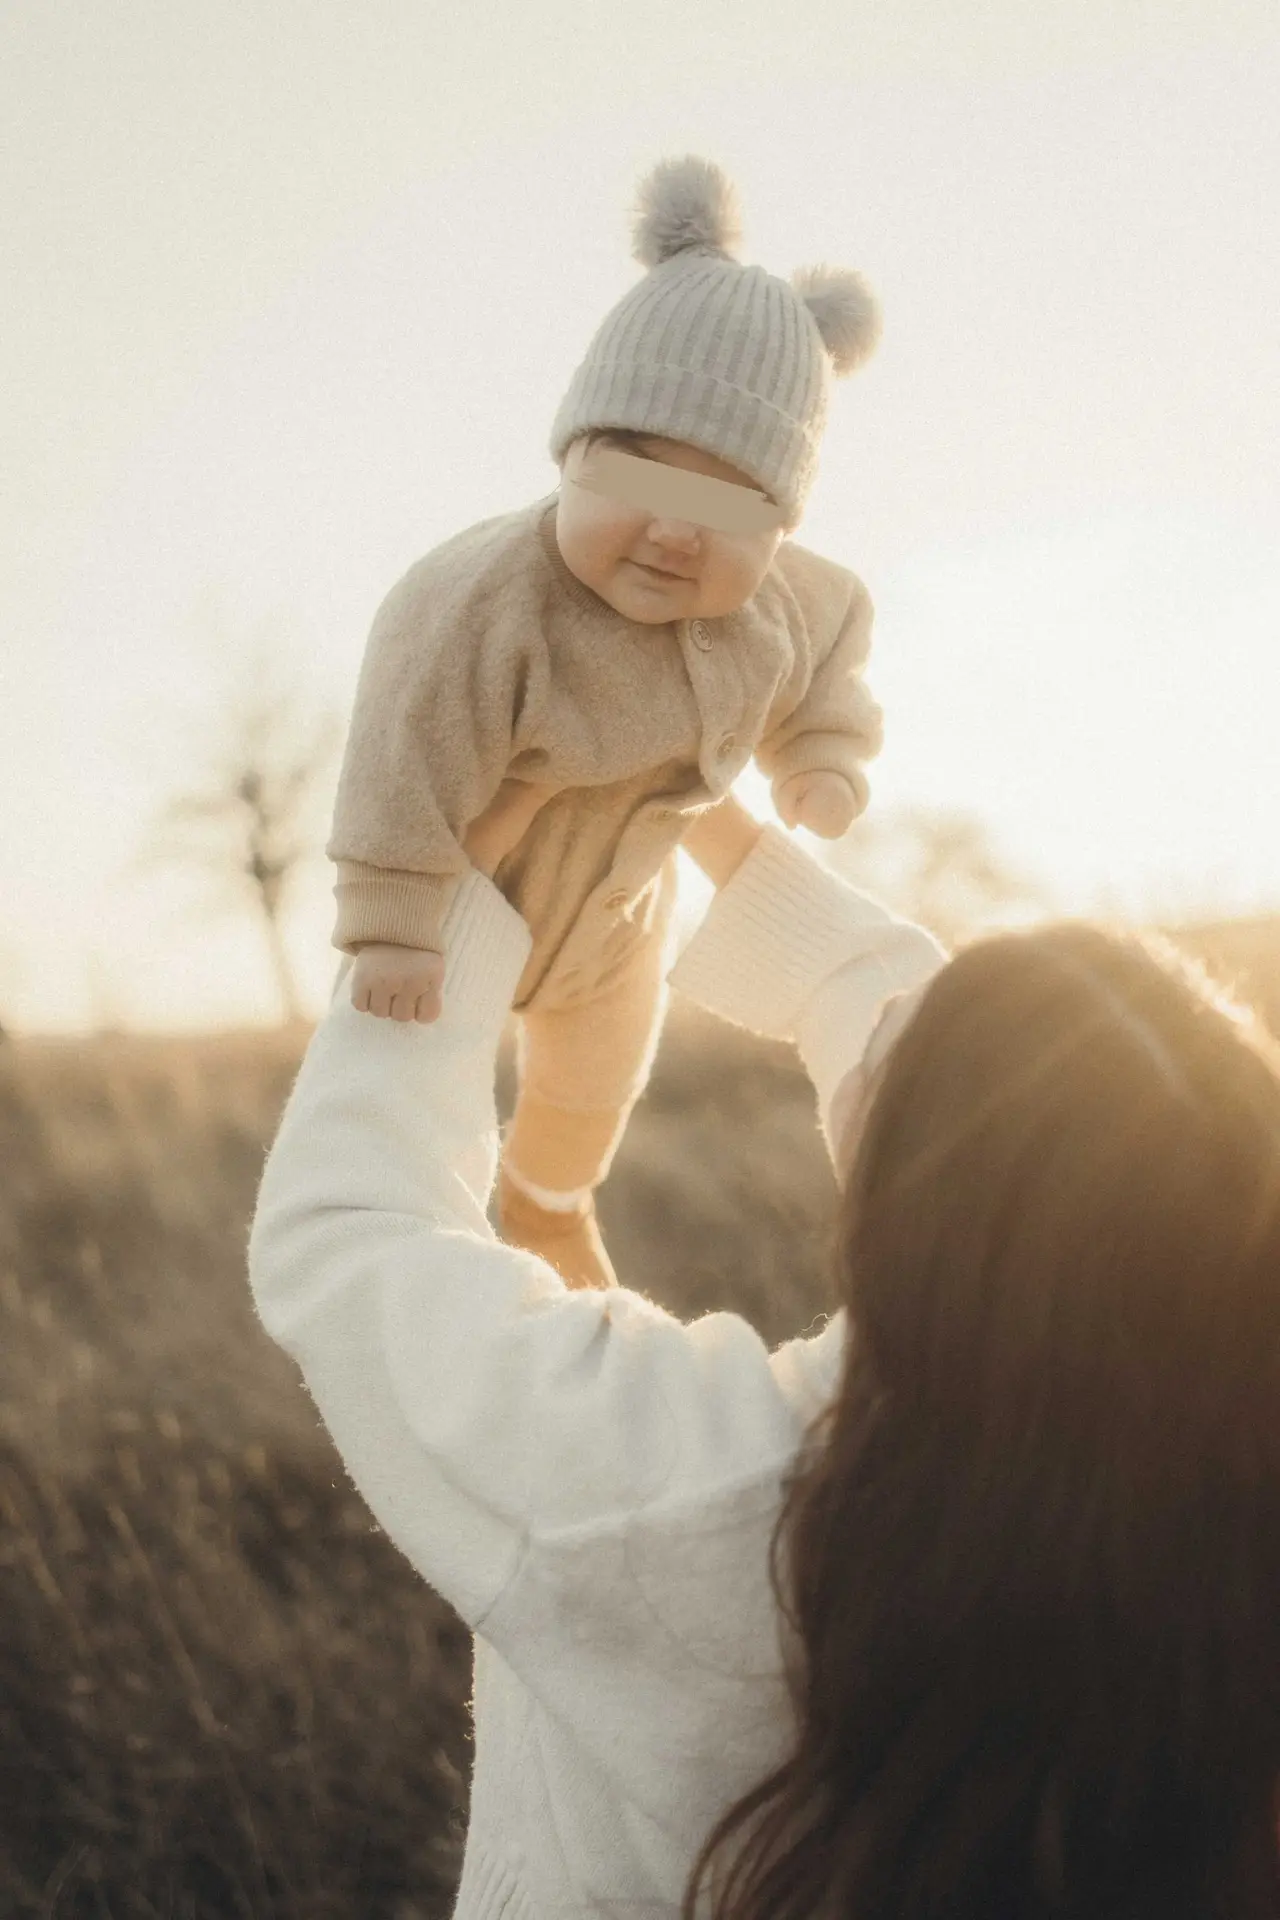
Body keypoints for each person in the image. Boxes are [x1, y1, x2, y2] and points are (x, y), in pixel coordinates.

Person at [249, 788, 1280, 1920]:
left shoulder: (696, 1486)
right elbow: (1011, 1113)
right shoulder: (1228, 1475)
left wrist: (438, 903)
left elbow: (348, 1232)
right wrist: (694, 798)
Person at [324, 151, 885, 1292]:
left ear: (778, 529)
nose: (677, 530)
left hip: (619, 928)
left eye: (727, 503)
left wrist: (820, 757)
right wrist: (387, 919)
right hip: (456, 905)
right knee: (412, 1088)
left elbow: (830, 653)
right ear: (574, 451)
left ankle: (546, 1199)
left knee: (591, 1091)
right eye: (642, 472)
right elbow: (402, 753)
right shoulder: (480, 604)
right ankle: (424, 1237)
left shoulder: (786, 609)